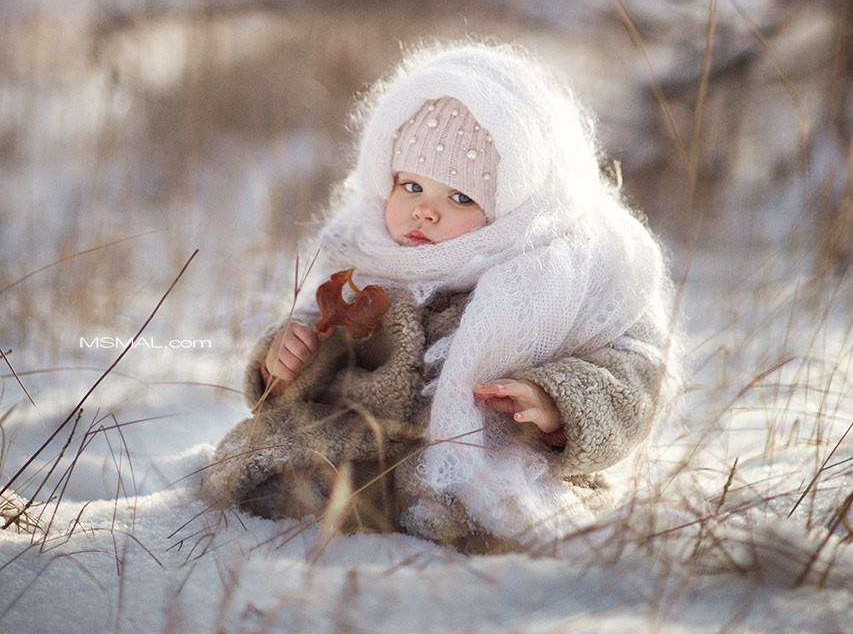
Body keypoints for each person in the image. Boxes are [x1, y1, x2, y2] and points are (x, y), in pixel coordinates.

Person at [202, 40, 678, 551]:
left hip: (492, 455)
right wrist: (290, 361)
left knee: (478, 511)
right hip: (367, 442)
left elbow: (638, 376)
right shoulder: (370, 256)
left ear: (514, 207)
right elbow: (320, 330)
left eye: (459, 197)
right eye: (410, 187)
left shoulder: (565, 280)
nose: (424, 212)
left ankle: (444, 524)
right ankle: (348, 505)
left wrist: (555, 402)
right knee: (261, 459)